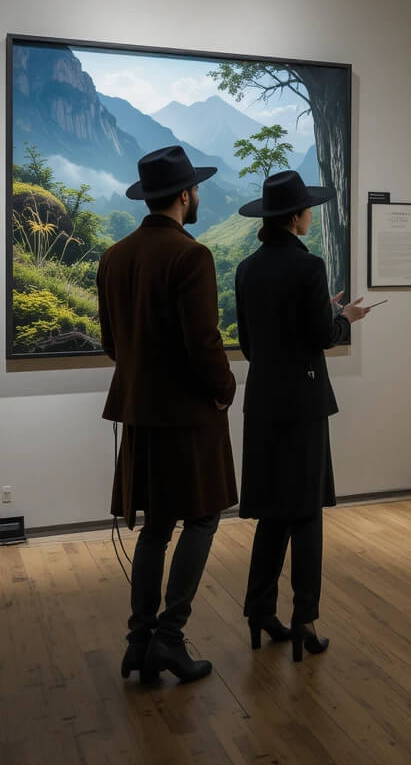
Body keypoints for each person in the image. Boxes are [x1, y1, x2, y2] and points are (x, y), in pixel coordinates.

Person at [97, 146, 237, 685]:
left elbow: (112, 342)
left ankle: (138, 643)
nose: (197, 196)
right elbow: (204, 342)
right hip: (188, 415)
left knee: (155, 526)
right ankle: (170, 639)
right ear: (184, 195)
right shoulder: (191, 256)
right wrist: (223, 390)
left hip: (139, 413)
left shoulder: (114, 255)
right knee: (201, 517)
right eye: (196, 189)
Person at [234, 170, 370, 662]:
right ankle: (304, 620)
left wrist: (319, 315)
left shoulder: (247, 269)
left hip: (264, 402)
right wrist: (345, 318)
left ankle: (258, 611)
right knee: (307, 512)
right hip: (305, 404)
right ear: (295, 217)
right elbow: (320, 336)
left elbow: (251, 343)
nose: (311, 215)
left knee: (273, 511)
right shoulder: (309, 267)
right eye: (307, 208)